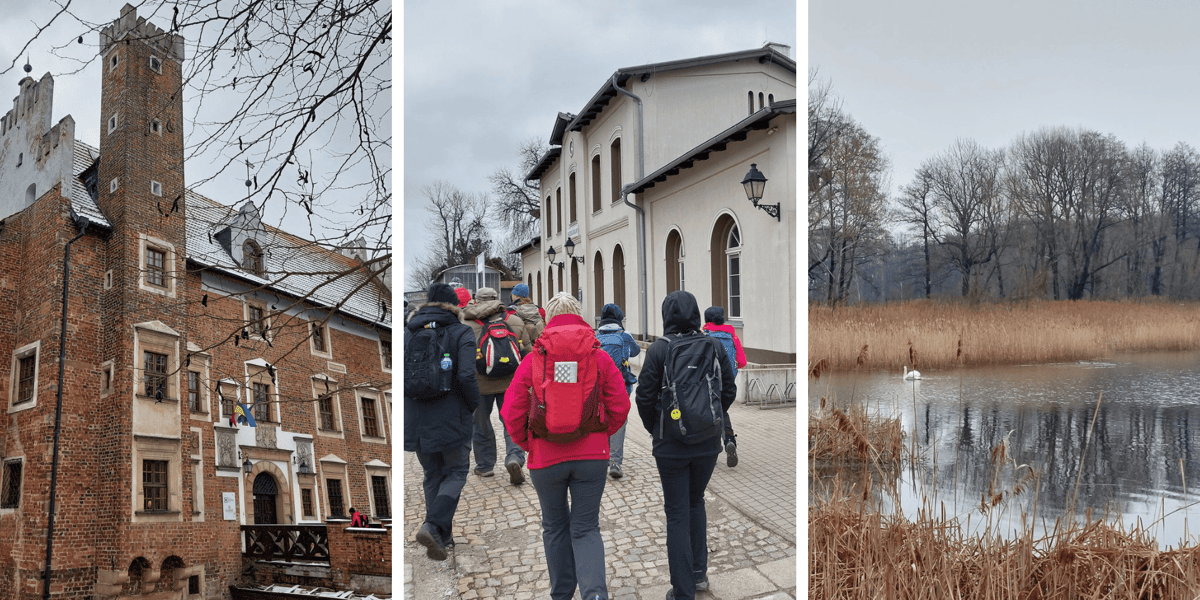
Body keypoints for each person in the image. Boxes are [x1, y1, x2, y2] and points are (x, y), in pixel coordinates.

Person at [501, 292, 630, 600]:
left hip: (546, 458)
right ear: (580, 315)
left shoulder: (535, 358)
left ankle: (561, 594)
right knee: (586, 528)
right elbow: (621, 406)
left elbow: (512, 412)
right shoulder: (597, 355)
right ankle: (595, 594)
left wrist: (528, 444)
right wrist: (600, 435)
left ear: (548, 320)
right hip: (592, 457)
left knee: (554, 528)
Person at [635, 291, 736, 599]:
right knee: (696, 503)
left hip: (671, 447)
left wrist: (658, 428)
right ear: (694, 314)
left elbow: (643, 398)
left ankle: (682, 591)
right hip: (707, 443)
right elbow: (728, 390)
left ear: (666, 315)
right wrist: (712, 421)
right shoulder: (714, 345)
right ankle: (698, 576)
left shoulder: (658, 350)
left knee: (677, 511)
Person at [404, 283, 481, 561]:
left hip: (417, 420)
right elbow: (466, 377)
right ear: (456, 307)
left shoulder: (407, 333)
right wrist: (473, 405)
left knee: (432, 475)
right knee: (457, 472)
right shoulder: (461, 332)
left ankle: (441, 536)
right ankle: (432, 526)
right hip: (452, 416)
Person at [465, 287, 530, 484]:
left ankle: (485, 466)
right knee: (512, 422)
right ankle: (514, 457)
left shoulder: (466, 324)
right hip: (510, 382)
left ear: (476, 301)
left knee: (480, 424)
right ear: (497, 299)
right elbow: (527, 351)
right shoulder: (514, 321)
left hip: (479, 384)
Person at [596, 302, 640, 479]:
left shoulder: (595, 336)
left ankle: (603, 455)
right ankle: (615, 462)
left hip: (599, 387)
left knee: (602, 418)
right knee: (619, 421)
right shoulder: (624, 335)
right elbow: (636, 352)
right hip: (621, 385)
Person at [702, 306, 746, 468]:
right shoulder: (732, 336)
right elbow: (742, 362)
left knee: (708, 413)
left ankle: (710, 450)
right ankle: (729, 439)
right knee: (721, 410)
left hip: (707, 382)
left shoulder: (704, 336)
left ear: (706, 320)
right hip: (727, 383)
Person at [509, 283, 545, 351]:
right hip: (539, 346)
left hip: (520, 347)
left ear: (516, 296)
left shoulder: (511, 310)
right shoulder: (538, 309)